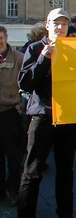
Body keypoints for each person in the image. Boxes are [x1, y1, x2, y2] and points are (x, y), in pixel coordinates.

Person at [18, 8, 76, 218]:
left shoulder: (75, 50)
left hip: (67, 119)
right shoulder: (35, 49)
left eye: (64, 24)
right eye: (56, 23)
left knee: (65, 172)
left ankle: (66, 213)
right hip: (42, 117)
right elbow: (25, 82)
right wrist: (43, 59)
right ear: (47, 25)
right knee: (32, 172)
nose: (60, 28)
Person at [0, 25, 24, 207]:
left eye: (1, 37)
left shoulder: (18, 59)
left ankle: (14, 190)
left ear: (6, 38)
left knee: (14, 157)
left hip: (11, 115)